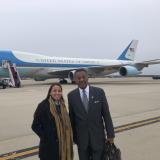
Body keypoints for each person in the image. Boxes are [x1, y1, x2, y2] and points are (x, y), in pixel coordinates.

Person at [68, 69, 115, 160]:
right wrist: (73, 138)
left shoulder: (99, 92)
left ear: (87, 77)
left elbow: (106, 115)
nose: (81, 80)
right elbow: (72, 119)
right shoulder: (71, 96)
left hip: (98, 138)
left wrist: (110, 134)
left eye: (83, 77)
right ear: (75, 80)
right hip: (81, 140)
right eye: (78, 78)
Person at [32, 83, 73, 160]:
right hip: (49, 147)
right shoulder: (43, 105)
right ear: (50, 92)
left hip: (62, 146)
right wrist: (46, 138)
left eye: (59, 91)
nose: (57, 93)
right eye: (54, 91)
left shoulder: (62, 105)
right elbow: (35, 125)